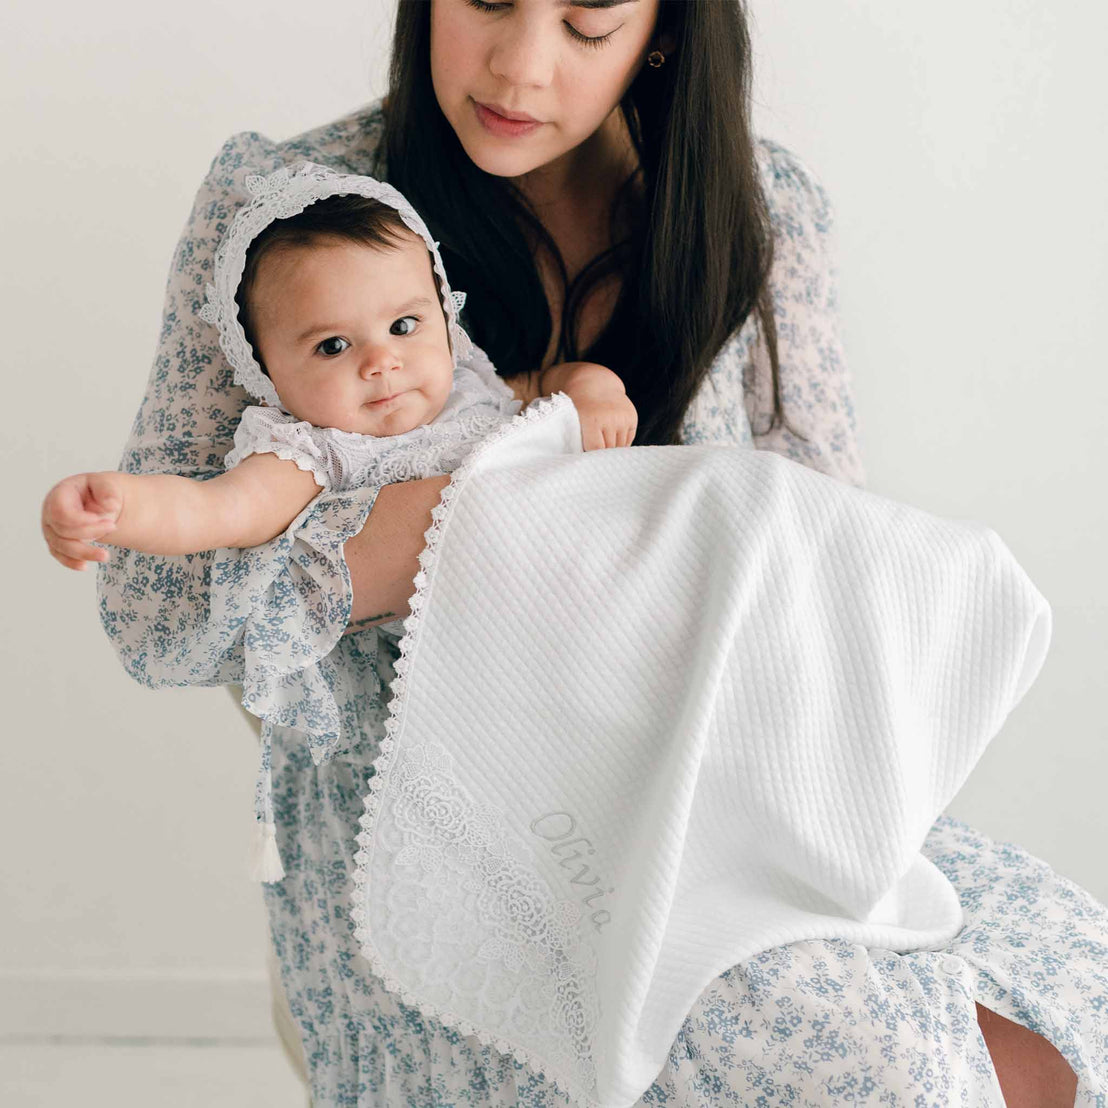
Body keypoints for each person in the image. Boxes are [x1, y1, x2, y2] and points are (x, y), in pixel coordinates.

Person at [49, 0, 1104, 1103]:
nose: (518, 65)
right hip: (460, 829)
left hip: (719, 764)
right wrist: (479, 525)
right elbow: (157, 618)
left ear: (659, 30)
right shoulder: (295, 213)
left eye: (586, 24)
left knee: (1065, 1006)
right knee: (878, 1063)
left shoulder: (759, 208)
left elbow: (814, 553)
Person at [40, 170, 634, 572]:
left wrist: (597, 392)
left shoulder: (471, 386)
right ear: (268, 373)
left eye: (404, 326)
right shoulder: (314, 453)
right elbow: (219, 511)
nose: (381, 362)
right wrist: (123, 506)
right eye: (332, 346)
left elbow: (553, 383)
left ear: (445, 316)